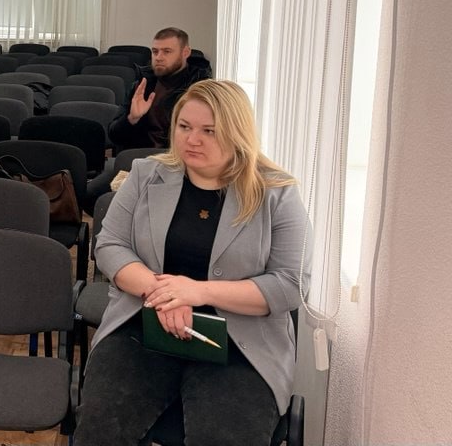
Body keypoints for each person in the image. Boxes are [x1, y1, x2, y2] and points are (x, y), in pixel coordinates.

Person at [73, 80, 308, 446]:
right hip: (144, 324)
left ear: (237, 133)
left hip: (239, 345)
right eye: (184, 126)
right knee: (100, 428)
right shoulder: (145, 174)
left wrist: (197, 292)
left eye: (209, 131)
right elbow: (110, 245)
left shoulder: (276, 192)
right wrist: (164, 294)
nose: (192, 140)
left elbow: (290, 284)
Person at [109, 27, 213, 151]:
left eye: (167, 51)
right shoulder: (142, 85)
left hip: (179, 157)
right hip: (140, 157)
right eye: (155, 51)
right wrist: (132, 118)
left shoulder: (201, 90)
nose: (158, 57)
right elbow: (114, 136)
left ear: (185, 52)